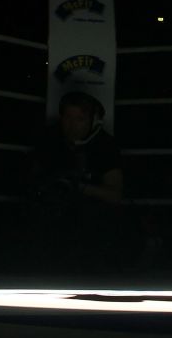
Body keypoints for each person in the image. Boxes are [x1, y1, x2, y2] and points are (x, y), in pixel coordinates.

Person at [28, 91, 126, 270]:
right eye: (67, 118)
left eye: (79, 119)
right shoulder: (50, 139)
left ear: (93, 121)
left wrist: (79, 187)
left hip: (91, 217)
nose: (72, 126)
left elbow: (115, 195)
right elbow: (34, 182)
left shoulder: (105, 146)